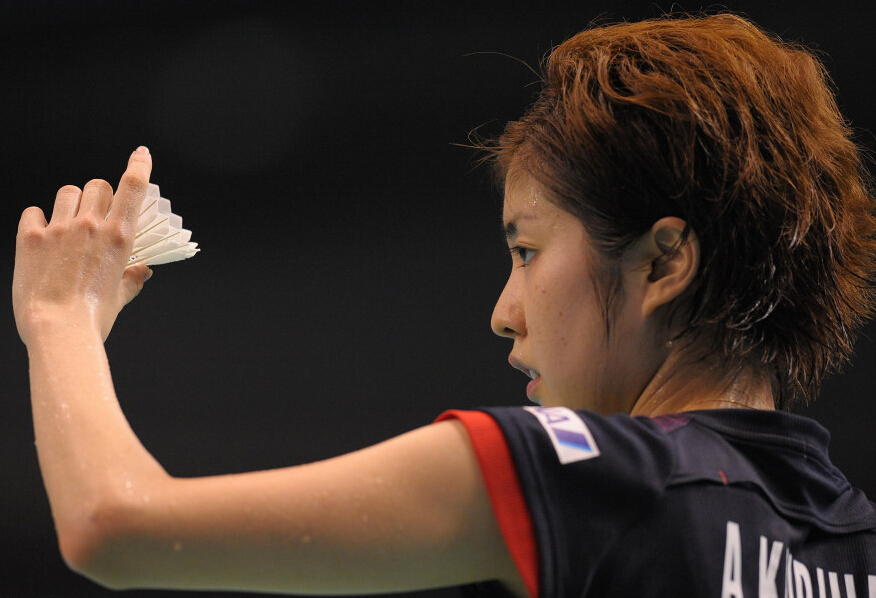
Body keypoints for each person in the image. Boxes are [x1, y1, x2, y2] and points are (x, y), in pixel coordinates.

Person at [12, 12, 876, 598]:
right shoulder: (856, 542)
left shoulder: (584, 477)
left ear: (664, 263)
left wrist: (59, 317)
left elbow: (113, 526)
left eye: (528, 251)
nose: (505, 311)